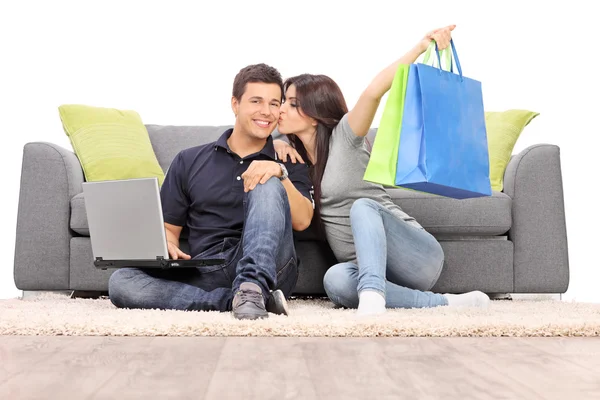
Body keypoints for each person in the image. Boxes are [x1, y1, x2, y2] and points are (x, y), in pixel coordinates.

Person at [274, 25, 490, 316]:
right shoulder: (295, 160)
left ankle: (373, 294)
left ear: (314, 114)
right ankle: (443, 303)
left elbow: (374, 91)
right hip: (363, 270)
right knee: (334, 280)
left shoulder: (346, 136)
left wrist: (420, 47)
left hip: (415, 256)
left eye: (292, 103)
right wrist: (274, 142)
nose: (281, 109)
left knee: (363, 206)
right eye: (284, 102)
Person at [108, 63, 315, 320]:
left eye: (274, 103)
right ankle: (235, 300)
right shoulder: (188, 160)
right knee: (121, 282)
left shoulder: (288, 160)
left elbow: (303, 220)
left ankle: (252, 287)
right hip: (208, 268)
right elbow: (169, 230)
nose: (266, 111)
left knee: (266, 179)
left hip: (271, 267)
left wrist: (277, 171)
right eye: (256, 101)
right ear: (235, 104)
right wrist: (168, 246)